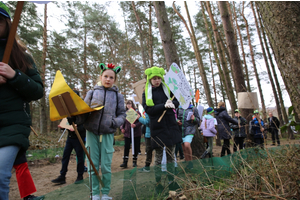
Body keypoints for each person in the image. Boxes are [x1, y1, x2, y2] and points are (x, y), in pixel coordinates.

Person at [0, 2, 44, 199]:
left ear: (7, 24)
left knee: (1, 174)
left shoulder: (22, 57)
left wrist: (14, 75)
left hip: (13, 125)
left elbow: (37, 90)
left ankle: (28, 195)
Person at [76, 63, 126, 200]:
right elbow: (84, 112)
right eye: (106, 76)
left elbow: (122, 115)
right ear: (101, 77)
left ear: (114, 80)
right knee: (92, 165)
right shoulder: (92, 93)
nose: (108, 79)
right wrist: (75, 118)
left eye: (111, 77)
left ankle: (105, 193)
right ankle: (94, 193)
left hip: (107, 134)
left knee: (105, 166)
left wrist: (113, 123)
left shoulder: (118, 97)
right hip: (91, 133)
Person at [142, 66, 181, 192]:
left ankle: (172, 181)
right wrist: (162, 106)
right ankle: (158, 183)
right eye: (154, 78)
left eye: (159, 78)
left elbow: (177, 101)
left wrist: (172, 104)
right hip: (157, 127)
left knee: (171, 156)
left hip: (170, 125)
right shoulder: (146, 93)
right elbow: (148, 109)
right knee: (158, 157)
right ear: (150, 79)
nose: (157, 80)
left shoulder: (168, 90)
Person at [52, 90, 86, 185]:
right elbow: (66, 122)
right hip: (70, 138)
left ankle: (80, 176)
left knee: (80, 157)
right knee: (65, 156)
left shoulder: (81, 110)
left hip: (79, 138)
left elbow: (84, 125)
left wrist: (76, 128)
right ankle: (62, 176)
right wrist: (63, 127)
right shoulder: (67, 110)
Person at [177, 103, 200, 169]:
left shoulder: (193, 108)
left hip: (189, 130)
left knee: (187, 145)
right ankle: (188, 165)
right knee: (184, 148)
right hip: (180, 130)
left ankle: (190, 163)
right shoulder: (178, 108)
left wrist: (194, 119)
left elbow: (198, 120)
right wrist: (177, 121)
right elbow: (175, 117)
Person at [120, 100, 142, 168]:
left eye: (130, 104)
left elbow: (140, 121)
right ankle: (125, 162)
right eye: (127, 104)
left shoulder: (137, 113)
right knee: (126, 147)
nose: (129, 105)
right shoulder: (125, 113)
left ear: (132, 104)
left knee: (135, 147)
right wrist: (122, 128)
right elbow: (122, 122)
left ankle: (134, 161)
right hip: (127, 134)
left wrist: (135, 125)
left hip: (136, 134)